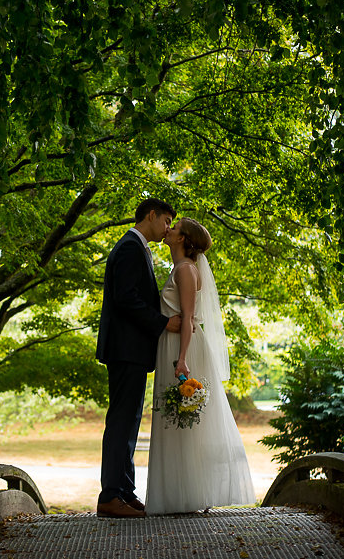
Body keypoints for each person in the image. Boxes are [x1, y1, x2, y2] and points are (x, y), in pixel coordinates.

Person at [145, 217, 256, 515]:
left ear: (183, 239)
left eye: (175, 228)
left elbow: (189, 319)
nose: (168, 230)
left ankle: (189, 495)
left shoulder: (185, 270)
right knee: (178, 420)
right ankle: (182, 495)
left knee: (185, 419)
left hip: (185, 349)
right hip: (176, 345)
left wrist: (181, 359)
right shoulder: (179, 269)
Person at [96, 198, 181, 518]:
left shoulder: (135, 246)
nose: (168, 228)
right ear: (152, 215)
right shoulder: (130, 247)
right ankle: (110, 496)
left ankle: (125, 491)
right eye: (167, 221)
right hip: (125, 349)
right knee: (121, 422)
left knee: (129, 422)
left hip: (130, 350)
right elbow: (127, 299)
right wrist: (163, 323)